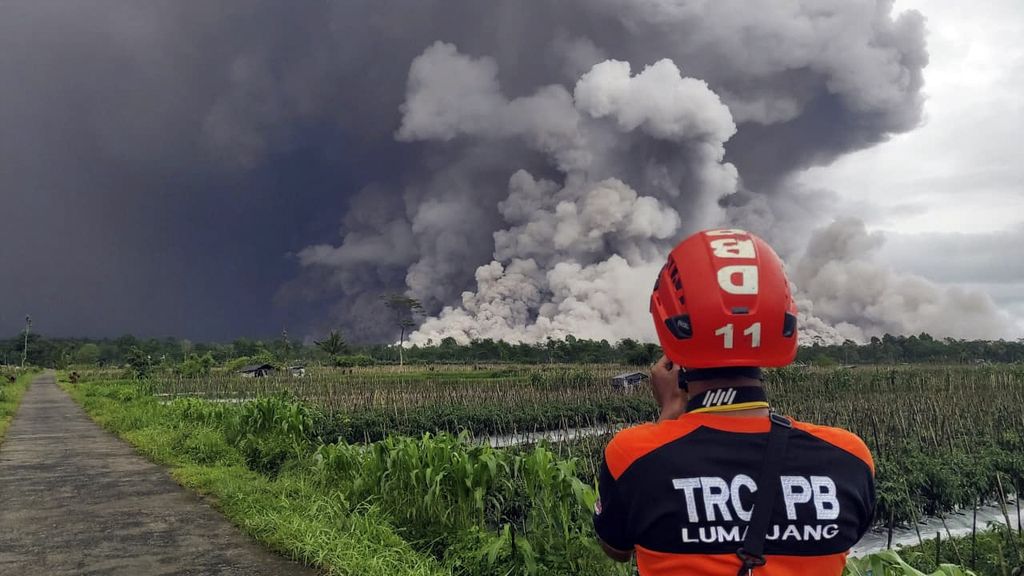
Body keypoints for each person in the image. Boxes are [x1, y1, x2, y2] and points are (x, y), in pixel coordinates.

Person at [593, 228, 875, 576]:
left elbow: (617, 548)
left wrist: (668, 415)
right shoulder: (849, 457)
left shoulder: (632, 455)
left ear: (672, 333)